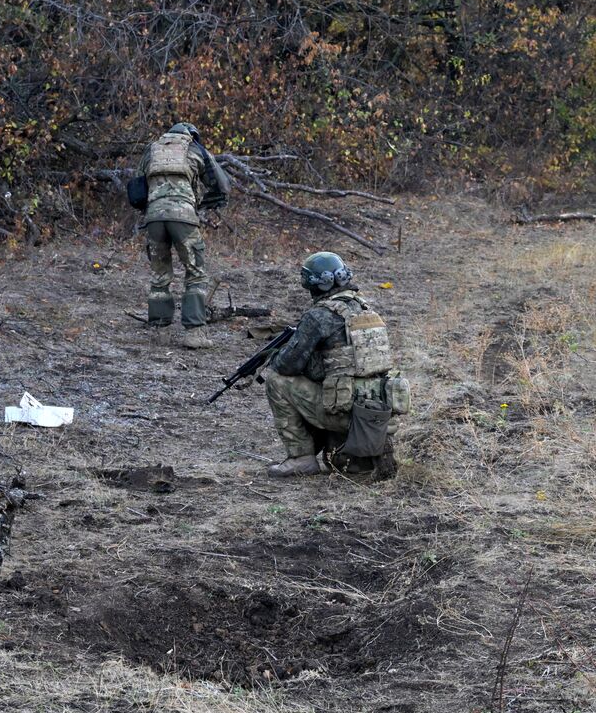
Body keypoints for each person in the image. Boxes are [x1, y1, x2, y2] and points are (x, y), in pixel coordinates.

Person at [263, 252, 404, 479]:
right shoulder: (367, 311)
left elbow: (285, 366)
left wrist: (279, 352)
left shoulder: (320, 315)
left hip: (345, 415)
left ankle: (300, 458)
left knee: (276, 381)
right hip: (375, 416)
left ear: (313, 283)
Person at [133, 122, 230, 348]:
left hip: (154, 218)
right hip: (184, 217)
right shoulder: (196, 149)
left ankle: (159, 332)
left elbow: (137, 188)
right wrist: (202, 204)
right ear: (192, 135)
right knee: (195, 273)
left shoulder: (152, 149)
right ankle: (194, 333)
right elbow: (222, 185)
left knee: (160, 275)